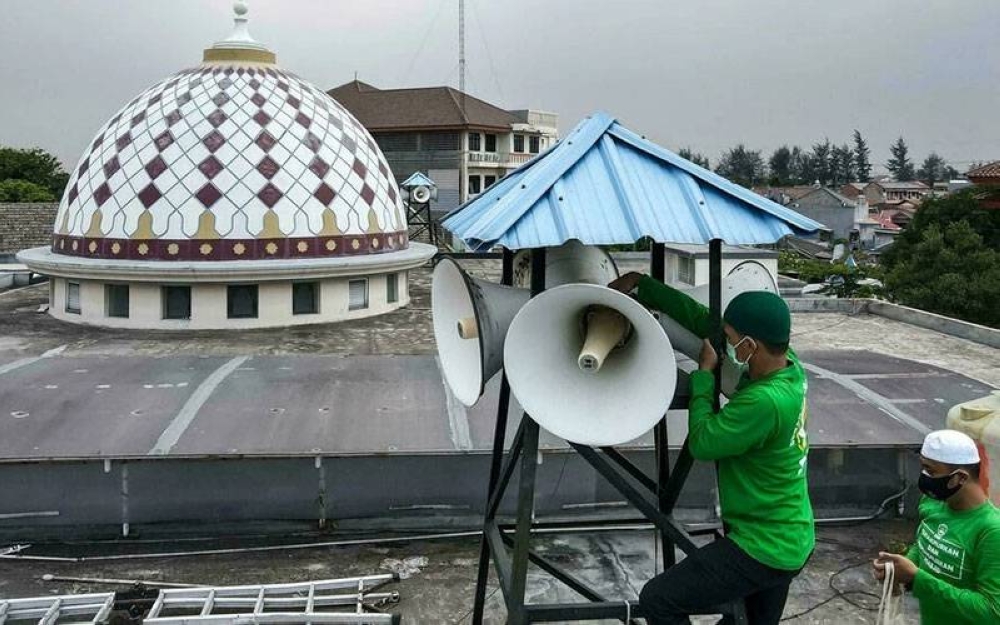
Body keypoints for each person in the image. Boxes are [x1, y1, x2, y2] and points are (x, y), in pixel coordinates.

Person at [608, 271, 814, 625]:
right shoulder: (789, 365)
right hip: (792, 535)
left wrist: (703, 376)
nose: (726, 345)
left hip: (761, 545)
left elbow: (704, 442)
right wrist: (644, 285)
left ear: (751, 346)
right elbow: (703, 320)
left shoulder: (765, 402)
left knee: (659, 599)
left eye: (732, 341)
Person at [873, 429, 1000, 624]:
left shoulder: (991, 531)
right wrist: (900, 570)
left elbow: (992, 612)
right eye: (922, 468)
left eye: (930, 471)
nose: (924, 476)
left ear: (960, 478)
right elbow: (926, 543)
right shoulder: (935, 503)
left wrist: (917, 578)